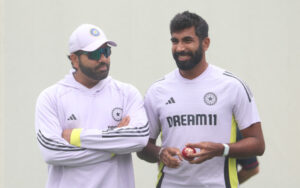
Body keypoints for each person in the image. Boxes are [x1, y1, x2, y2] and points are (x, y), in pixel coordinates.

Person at [137, 11, 265, 188]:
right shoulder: (157, 91)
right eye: (175, 41)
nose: (180, 48)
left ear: (205, 43)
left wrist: (221, 149)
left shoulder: (232, 86)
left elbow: (258, 144)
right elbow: (143, 147)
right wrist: (160, 153)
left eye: (187, 40)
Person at [35, 24, 149, 188]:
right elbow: (52, 152)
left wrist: (76, 137)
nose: (103, 59)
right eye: (95, 54)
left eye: (106, 51)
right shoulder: (51, 98)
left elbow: (139, 138)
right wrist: (114, 147)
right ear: (74, 59)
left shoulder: (127, 94)